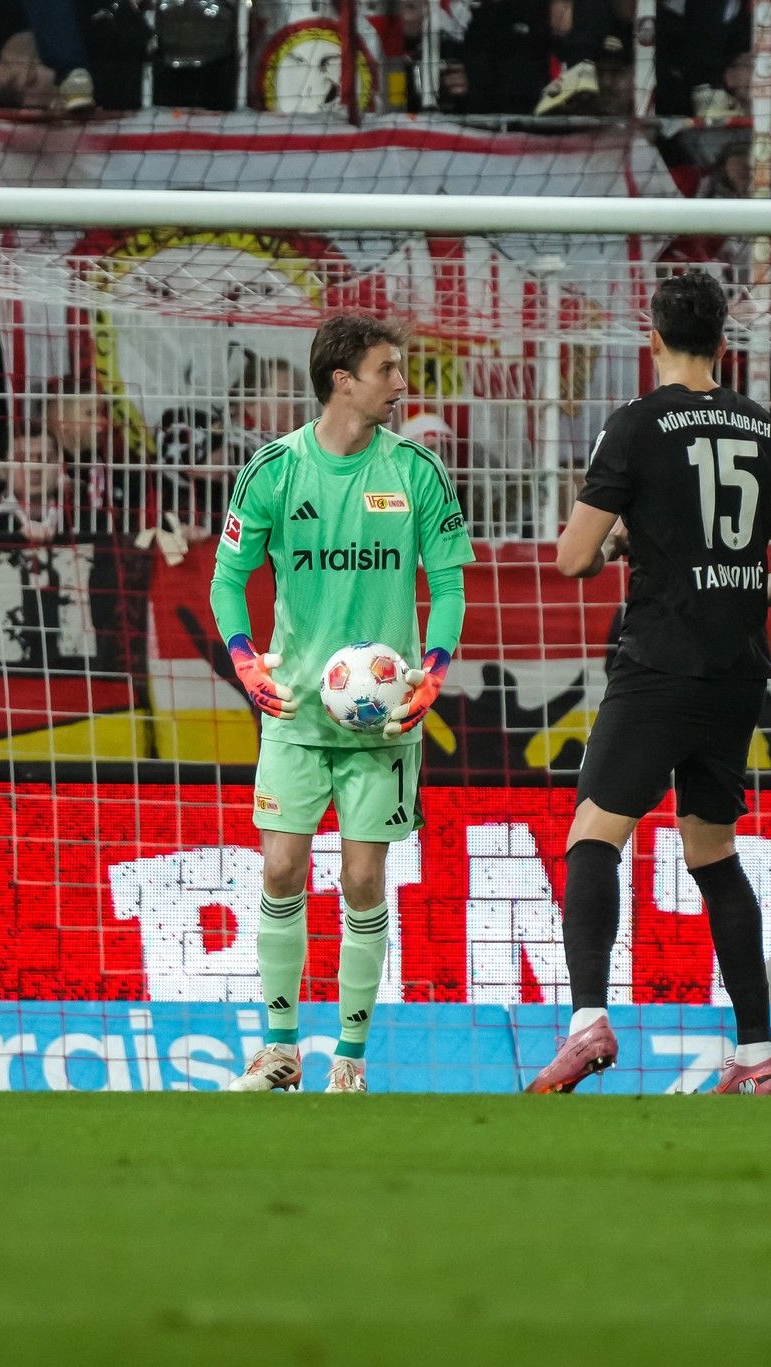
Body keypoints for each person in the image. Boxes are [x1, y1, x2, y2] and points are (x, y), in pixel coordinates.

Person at [529, 270, 771, 1096]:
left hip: (659, 661)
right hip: (737, 669)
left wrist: (625, 542)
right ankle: (759, 1056)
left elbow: (571, 557)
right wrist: (738, 589)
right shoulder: (767, 429)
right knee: (712, 849)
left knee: (593, 832)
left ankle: (588, 1021)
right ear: (724, 345)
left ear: (652, 340)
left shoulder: (635, 425)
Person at [207, 313, 474, 1094]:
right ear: (342, 381)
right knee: (282, 867)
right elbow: (228, 578)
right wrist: (244, 659)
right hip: (293, 712)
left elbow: (450, 585)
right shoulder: (275, 470)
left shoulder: (417, 473)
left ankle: (349, 1061)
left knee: (363, 880)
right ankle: (280, 1049)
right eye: (388, 369)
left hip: (386, 720)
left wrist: (432, 669)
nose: (402, 383)